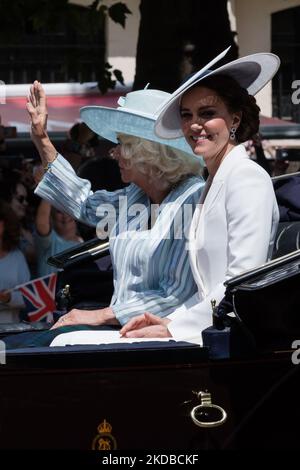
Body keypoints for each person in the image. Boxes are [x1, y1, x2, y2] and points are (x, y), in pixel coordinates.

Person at [120, 50, 280, 342]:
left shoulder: (246, 178)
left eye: (207, 114)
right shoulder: (214, 180)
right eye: (186, 115)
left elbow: (242, 279)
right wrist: (171, 319)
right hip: (207, 331)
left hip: (234, 341)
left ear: (234, 119)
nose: (195, 125)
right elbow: (209, 289)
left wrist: (174, 327)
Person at [24, 82, 204, 333]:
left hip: (165, 340)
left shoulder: (192, 198)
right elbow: (84, 203)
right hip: (124, 332)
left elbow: (175, 294)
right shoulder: (137, 196)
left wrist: (99, 315)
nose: (113, 153)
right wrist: (42, 139)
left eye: (121, 143)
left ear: (149, 151)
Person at [35, 199, 83, 277]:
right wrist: (49, 190)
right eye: (59, 211)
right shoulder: (50, 240)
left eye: (68, 210)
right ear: (52, 217)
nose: (65, 215)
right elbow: (42, 224)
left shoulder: (84, 243)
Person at [0, 201, 30, 323]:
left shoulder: (17, 257)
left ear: (5, 224)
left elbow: (29, 297)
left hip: (11, 333)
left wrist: (8, 298)